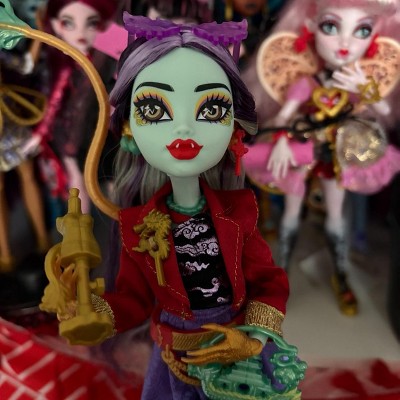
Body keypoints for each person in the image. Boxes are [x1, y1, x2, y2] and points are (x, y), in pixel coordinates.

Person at [243, 0, 400, 316]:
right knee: (291, 214)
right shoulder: (306, 82)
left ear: (376, 36)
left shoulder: (359, 83)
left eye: (362, 30)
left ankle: (341, 276)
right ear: (311, 27)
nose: (345, 43)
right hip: (302, 152)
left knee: (335, 216)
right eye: (331, 26)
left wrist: (365, 90)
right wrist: (282, 140)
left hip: (336, 155)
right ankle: (280, 276)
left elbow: (383, 111)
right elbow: (282, 118)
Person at [31, 0, 118, 214]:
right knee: (76, 178)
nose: (81, 33)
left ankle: (122, 226)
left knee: (113, 177)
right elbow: (53, 102)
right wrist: (39, 134)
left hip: (104, 129)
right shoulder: (61, 65)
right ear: (56, 25)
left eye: (92, 23)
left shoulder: (106, 55)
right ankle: (80, 227)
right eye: (68, 23)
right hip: (72, 133)